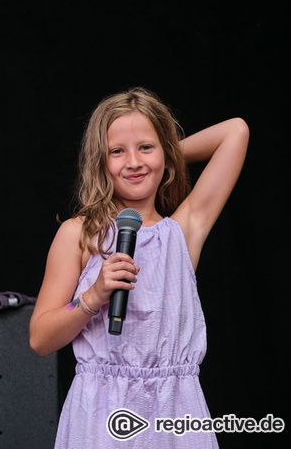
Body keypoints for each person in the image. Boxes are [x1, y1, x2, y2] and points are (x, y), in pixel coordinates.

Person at [29, 87, 248, 448]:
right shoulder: (79, 235)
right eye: (117, 152)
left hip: (175, 411)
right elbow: (40, 338)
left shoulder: (183, 231)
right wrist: (91, 297)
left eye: (145, 147)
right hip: (101, 412)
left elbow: (235, 131)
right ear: (100, 160)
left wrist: (164, 157)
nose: (133, 162)